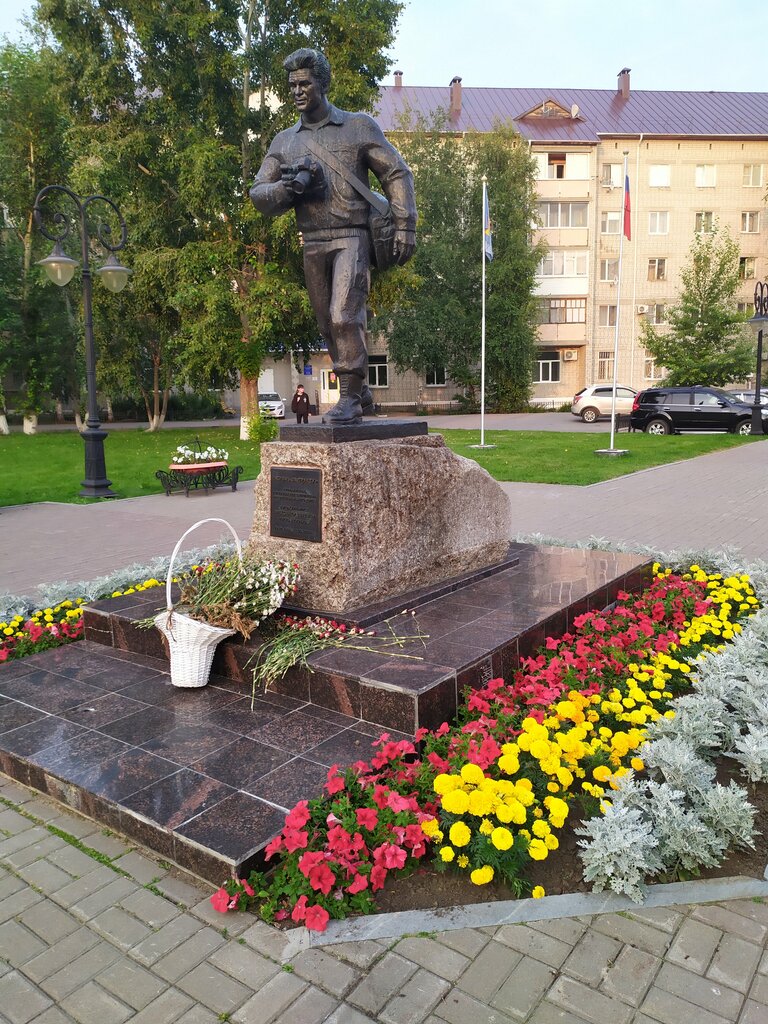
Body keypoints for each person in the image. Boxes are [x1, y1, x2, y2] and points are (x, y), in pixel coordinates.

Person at [249, 48, 416, 424]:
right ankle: (364, 393)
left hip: (352, 236)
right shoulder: (284, 142)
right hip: (313, 242)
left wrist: (406, 224)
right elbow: (259, 192)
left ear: (322, 84)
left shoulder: (357, 126)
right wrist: (286, 190)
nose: (297, 91)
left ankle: (350, 397)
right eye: (292, 85)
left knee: (344, 315)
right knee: (326, 322)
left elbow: (396, 173)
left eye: (304, 83)